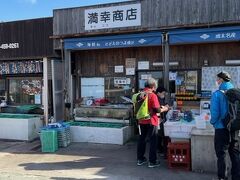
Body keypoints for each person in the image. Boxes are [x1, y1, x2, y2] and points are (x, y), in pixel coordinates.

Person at [210, 71, 240, 180]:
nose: (216, 81)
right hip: (235, 128)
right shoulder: (236, 92)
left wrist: (213, 122)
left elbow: (215, 113)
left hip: (221, 128)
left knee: (222, 154)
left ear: (221, 80)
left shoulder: (217, 94)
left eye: (217, 79)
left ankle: (223, 177)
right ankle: (236, 177)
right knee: (235, 153)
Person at [133, 78, 169, 168]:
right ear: (153, 86)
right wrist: (165, 108)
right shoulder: (152, 95)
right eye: (155, 86)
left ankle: (140, 159)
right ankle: (152, 161)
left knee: (141, 139)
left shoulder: (139, 94)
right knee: (153, 141)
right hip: (151, 121)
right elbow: (157, 110)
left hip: (141, 120)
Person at [155, 86, 170, 158]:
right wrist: (165, 108)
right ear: (158, 93)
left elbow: (164, 104)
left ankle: (161, 149)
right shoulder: (156, 99)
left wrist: (166, 106)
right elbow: (159, 109)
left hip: (162, 119)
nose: (164, 95)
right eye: (163, 93)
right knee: (160, 135)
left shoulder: (161, 98)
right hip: (158, 119)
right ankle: (161, 150)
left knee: (161, 135)